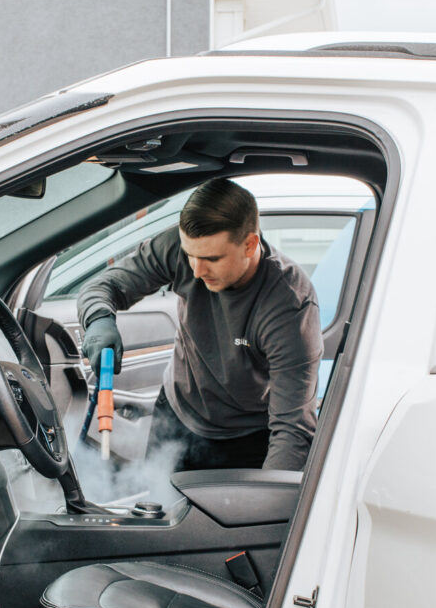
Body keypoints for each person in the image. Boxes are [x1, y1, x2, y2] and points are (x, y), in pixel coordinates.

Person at [77, 178, 322, 473]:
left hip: (245, 439)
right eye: (190, 255)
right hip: (176, 413)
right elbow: (105, 285)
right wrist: (99, 319)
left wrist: (270, 496)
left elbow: (293, 429)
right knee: (158, 507)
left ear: (249, 244)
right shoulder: (183, 250)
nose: (196, 270)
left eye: (211, 259)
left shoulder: (290, 306)